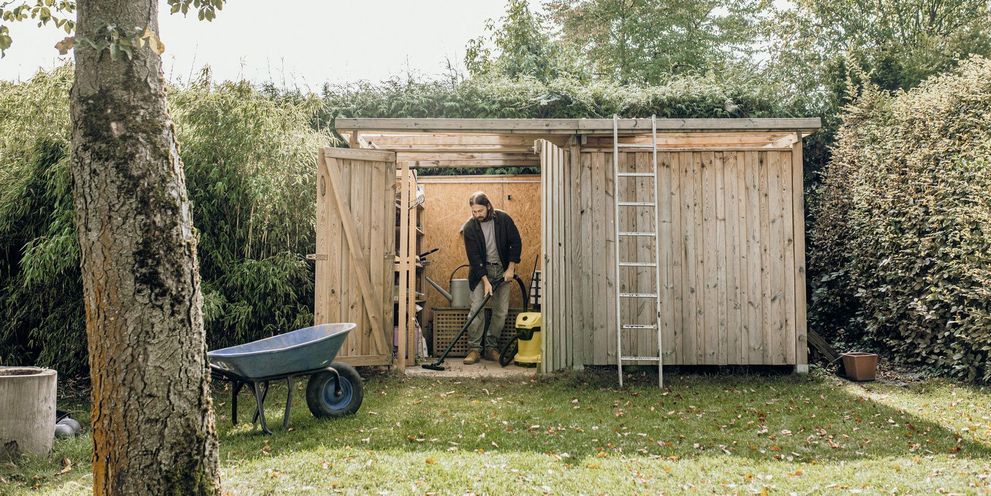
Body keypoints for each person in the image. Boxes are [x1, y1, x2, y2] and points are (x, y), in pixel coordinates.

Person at [460, 191, 522, 365]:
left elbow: (515, 243)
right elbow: (474, 258)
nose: (477, 215)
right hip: (480, 273)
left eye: (480, 211)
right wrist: (485, 281)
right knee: (476, 310)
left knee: (501, 311)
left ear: (488, 206)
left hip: (502, 271)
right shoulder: (470, 227)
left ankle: (491, 347)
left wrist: (510, 269)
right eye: (474, 212)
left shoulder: (503, 219)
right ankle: (474, 350)